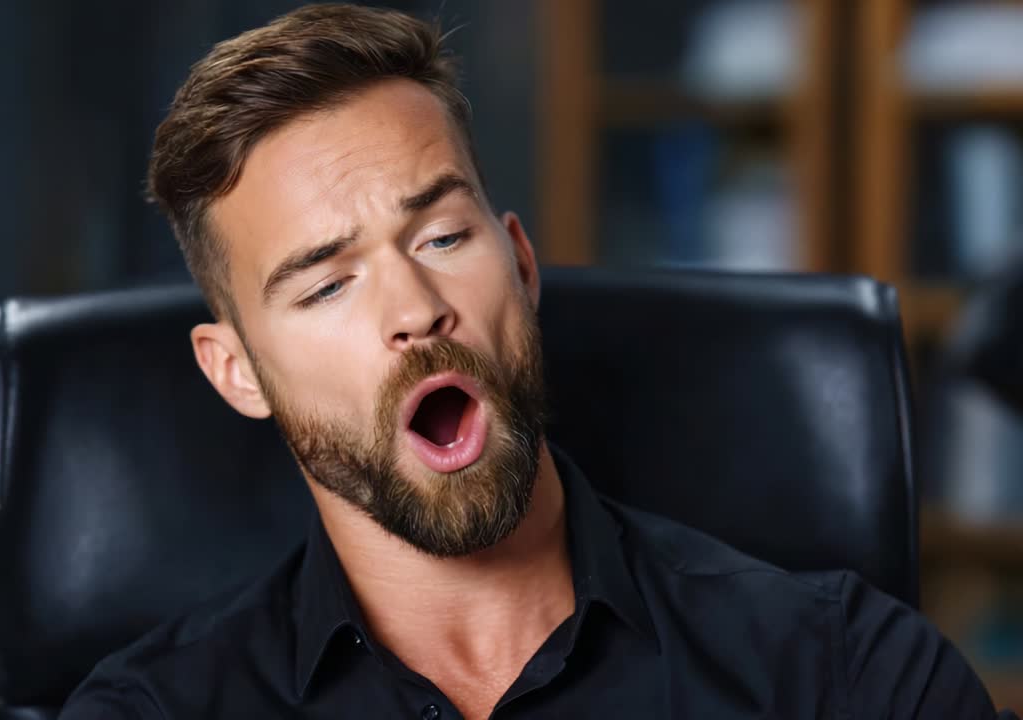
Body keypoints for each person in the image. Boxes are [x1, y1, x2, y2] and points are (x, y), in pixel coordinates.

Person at [60, 5, 1014, 718]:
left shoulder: (851, 677)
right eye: (326, 287)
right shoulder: (151, 710)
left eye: (440, 238)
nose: (418, 313)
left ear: (518, 262)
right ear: (238, 373)